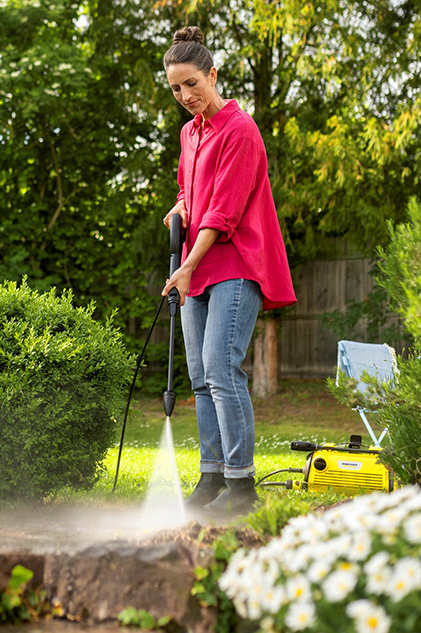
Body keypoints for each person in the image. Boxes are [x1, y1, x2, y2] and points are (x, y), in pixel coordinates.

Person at [160, 26, 297, 515]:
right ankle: (212, 475)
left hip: (234, 264)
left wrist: (186, 265)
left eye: (192, 83)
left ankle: (242, 486)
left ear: (212, 74)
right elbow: (189, 190)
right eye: (176, 88)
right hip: (196, 269)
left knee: (221, 367)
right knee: (200, 375)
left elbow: (223, 213)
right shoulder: (188, 133)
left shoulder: (240, 129)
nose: (185, 95)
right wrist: (178, 208)